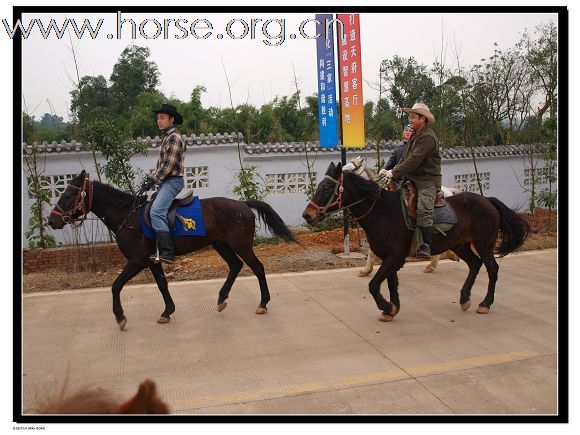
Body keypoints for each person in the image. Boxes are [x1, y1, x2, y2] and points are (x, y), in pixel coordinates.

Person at [379, 103, 441, 260]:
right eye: (409, 116)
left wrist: (395, 172)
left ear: (423, 118)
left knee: (423, 208)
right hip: (410, 179)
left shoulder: (428, 137)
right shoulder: (414, 136)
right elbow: (405, 159)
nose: (410, 119)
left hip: (427, 181)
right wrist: (390, 173)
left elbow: (414, 160)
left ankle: (425, 244)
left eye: (413, 117)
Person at [140, 104, 186, 264]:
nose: (158, 121)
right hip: (166, 181)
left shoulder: (174, 138)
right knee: (151, 208)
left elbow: (168, 165)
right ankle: (157, 249)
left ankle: (167, 252)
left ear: (171, 119)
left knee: (157, 212)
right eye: (157, 118)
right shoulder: (167, 137)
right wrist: (151, 179)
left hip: (172, 182)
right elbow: (162, 166)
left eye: (162, 118)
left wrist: (152, 179)